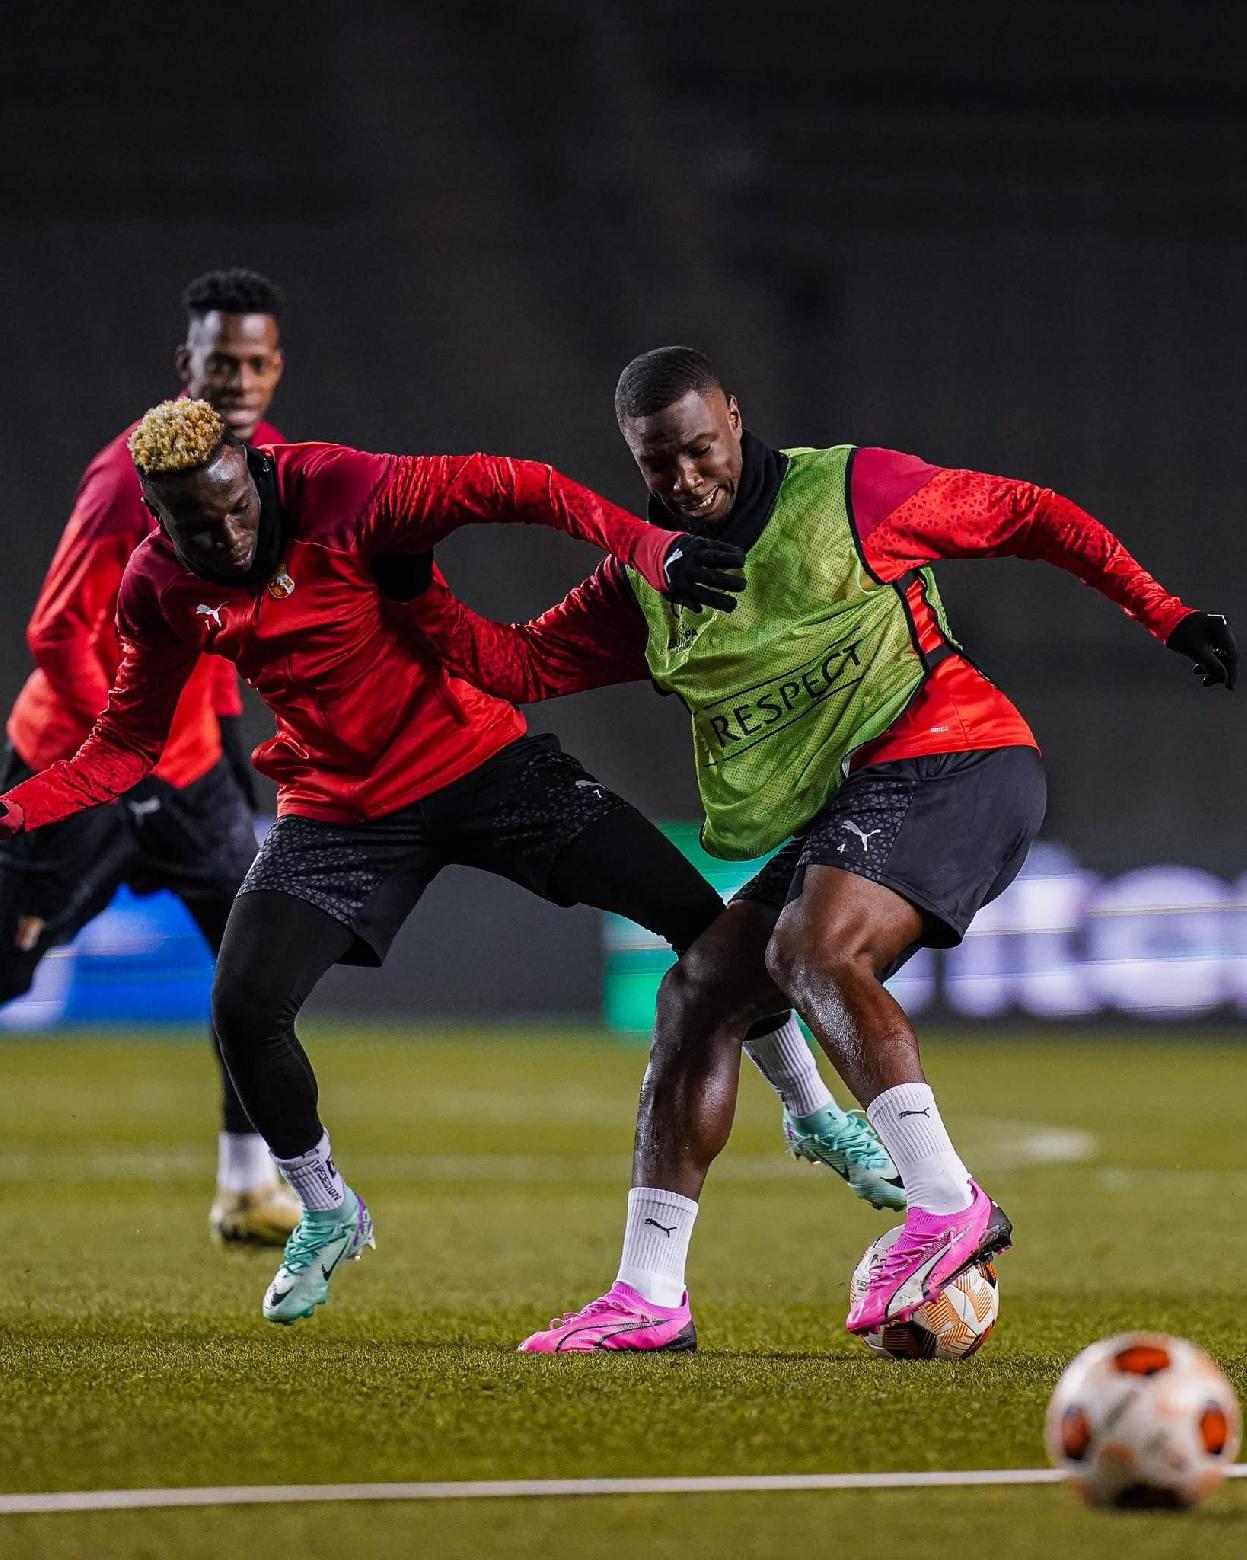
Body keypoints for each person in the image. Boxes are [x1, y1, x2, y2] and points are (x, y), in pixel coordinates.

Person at [0, 395, 892, 1333]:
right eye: (196, 525)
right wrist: (15, 808)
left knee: (700, 923)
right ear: (154, 517)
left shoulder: (346, 488)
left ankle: (811, 1114)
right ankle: (327, 1209)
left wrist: (648, 547)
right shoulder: (155, 587)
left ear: (254, 472)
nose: (226, 536)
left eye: (236, 508)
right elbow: (124, 744)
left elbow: (520, 485)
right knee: (243, 1007)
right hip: (340, 809)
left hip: (480, 763)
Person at [406, 345, 1237, 1352]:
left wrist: (1163, 613)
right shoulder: (647, 575)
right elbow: (519, 664)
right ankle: (647, 1296)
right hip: (851, 803)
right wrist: (409, 585)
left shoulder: (856, 492)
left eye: (699, 449)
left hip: (959, 758)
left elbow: (1030, 514)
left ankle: (947, 1206)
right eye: (657, 463)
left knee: (811, 948)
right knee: (698, 991)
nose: (683, 479)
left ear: (734, 417)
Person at [0, 268, 301, 1247]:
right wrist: (121, 754)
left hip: (190, 768)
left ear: (275, 368)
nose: (239, 379)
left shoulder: (272, 465)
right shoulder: (121, 477)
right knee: (7, 968)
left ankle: (246, 1188)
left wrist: (227, 746)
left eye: (254, 362)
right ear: (187, 365)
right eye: (222, 362)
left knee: (255, 966)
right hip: (74, 765)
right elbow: (55, 630)